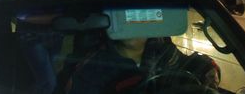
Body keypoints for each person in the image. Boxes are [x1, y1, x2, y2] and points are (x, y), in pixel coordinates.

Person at [66, 36, 220, 93]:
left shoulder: (162, 49)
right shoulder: (92, 68)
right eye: (124, 16)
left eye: (137, 15)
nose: (130, 23)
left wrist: (208, 70)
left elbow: (191, 65)